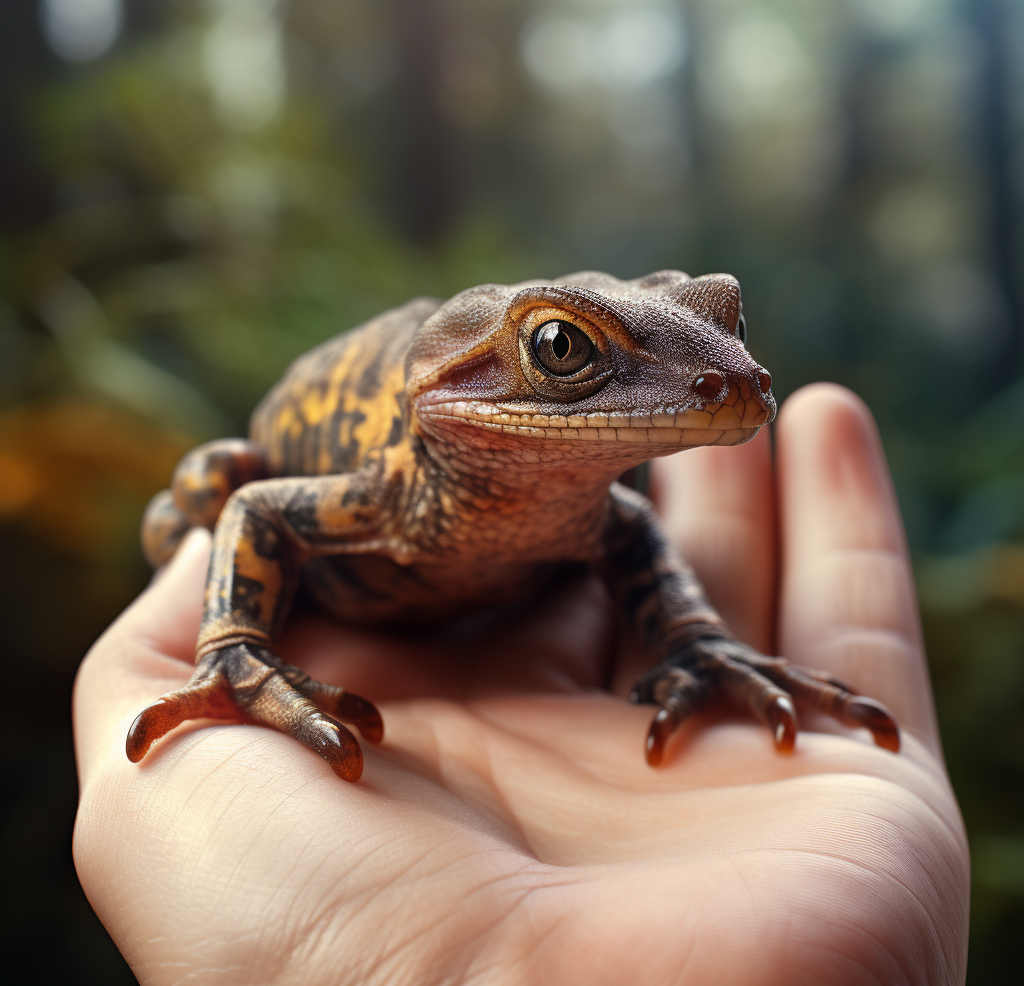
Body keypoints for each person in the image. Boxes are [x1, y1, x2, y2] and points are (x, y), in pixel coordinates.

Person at [72, 384, 969, 985]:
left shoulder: (606, 513)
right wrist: (231, 638)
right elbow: (257, 506)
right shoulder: (389, 487)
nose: (717, 375)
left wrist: (695, 633)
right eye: (563, 353)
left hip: (524, 613)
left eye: (717, 323)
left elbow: (632, 530)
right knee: (208, 483)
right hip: (351, 568)